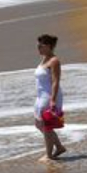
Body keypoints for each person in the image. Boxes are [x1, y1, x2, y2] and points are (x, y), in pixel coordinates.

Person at [34, 34, 68, 162]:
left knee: (46, 125)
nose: (38, 48)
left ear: (48, 46)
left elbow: (55, 81)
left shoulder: (54, 61)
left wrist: (52, 100)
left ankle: (49, 155)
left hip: (49, 96)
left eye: (40, 46)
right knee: (38, 124)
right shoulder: (43, 59)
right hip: (40, 96)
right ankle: (59, 147)